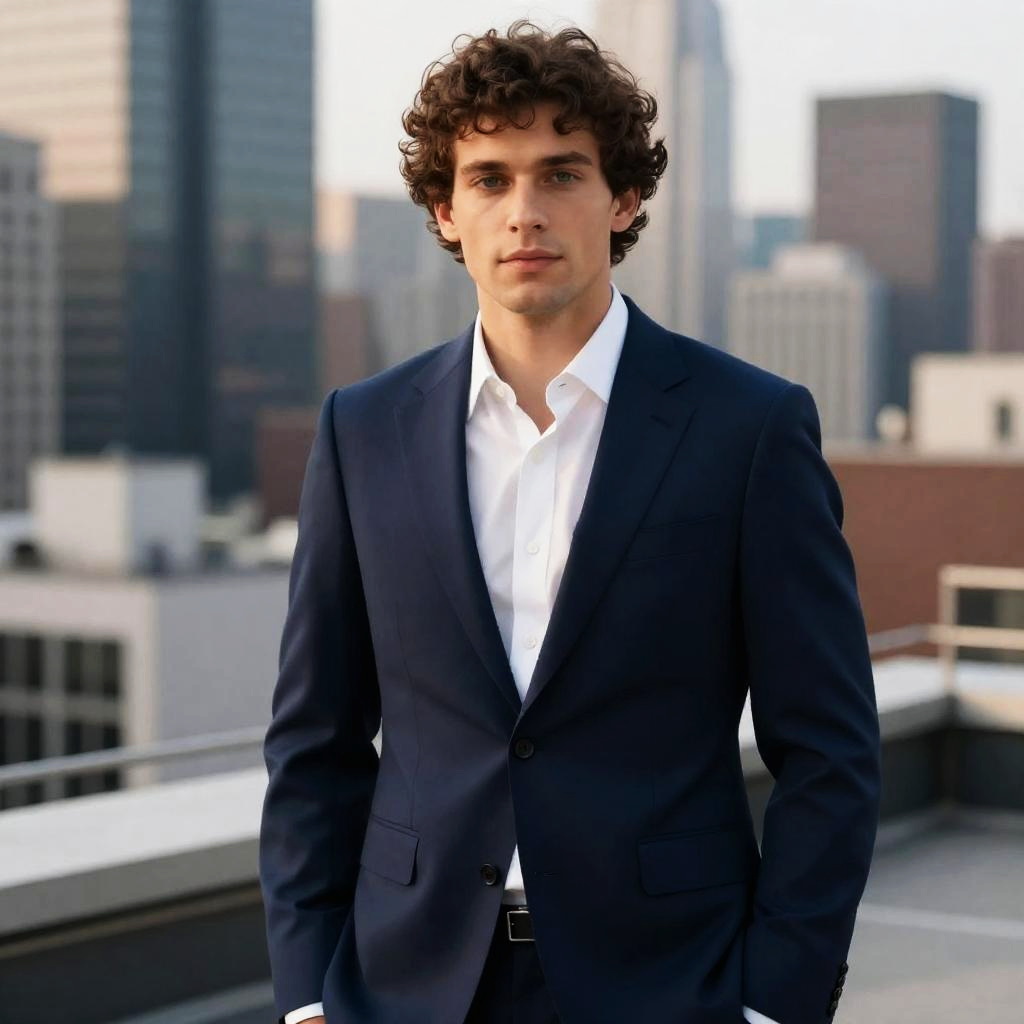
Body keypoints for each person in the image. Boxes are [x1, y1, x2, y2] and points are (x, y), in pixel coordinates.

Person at [259, 20, 880, 1024]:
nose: (524, 213)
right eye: (490, 179)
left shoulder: (749, 428)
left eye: (560, 174)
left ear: (622, 198)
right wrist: (306, 997)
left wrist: (776, 1002)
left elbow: (830, 749)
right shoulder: (362, 429)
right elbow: (313, 741)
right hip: (403, 986)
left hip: (671, 983)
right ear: (445, 209)